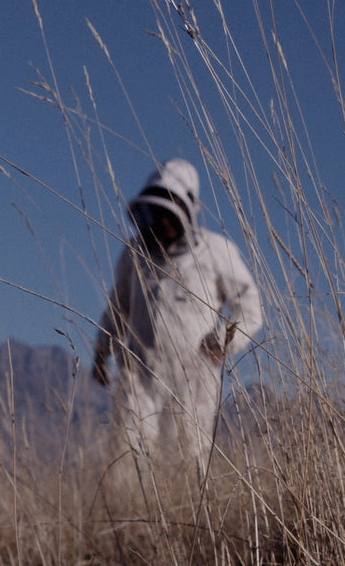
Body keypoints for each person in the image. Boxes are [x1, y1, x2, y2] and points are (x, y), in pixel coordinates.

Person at [91, 158, 263, 478]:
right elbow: (118, 307)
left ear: (188, 208)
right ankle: (128, 512)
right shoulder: (135, 253)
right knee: (126, 464)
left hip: (194, 377)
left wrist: (222, 340)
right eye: (157, 210)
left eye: (171, 209)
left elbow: (250, 306)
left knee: (188, 462)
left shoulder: (216, 250)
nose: (163, 219)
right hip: (139, 374)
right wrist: (101, 351)